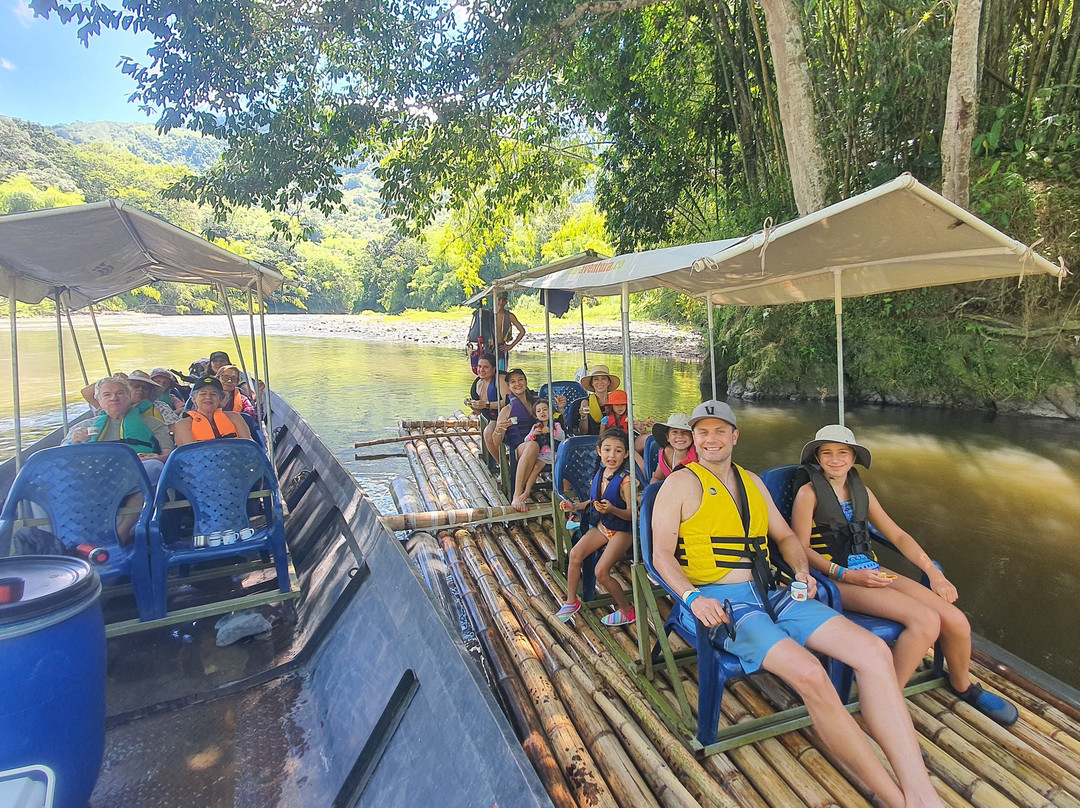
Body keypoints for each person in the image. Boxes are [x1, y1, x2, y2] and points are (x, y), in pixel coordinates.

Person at [652, 401, 944, 808]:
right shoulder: (679, 485)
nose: (710, 439)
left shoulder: (751, 481)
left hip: (773, 591)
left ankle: (923, 793)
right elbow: (661, 555)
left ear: (735, 436)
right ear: (694, 439)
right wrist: (692, 598)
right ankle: (899, 800)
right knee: (810, 674)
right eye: (703, 432)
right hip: (723, 603)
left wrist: (803, 570)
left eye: (720, 431)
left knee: (875, 652)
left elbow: (788, 538)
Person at [790, 424, 1018, 725]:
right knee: (925, 621)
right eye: (827, 453)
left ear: (854, 457)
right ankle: (884, 704)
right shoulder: (809, 494)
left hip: (869, 569)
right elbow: (799, 548)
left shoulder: (862, 492)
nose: (835, 459)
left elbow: (897, 536)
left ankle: (962, 685)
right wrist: (843, 574)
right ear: (817, 458)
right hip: (835, 578)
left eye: (842, 452)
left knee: (957, 621)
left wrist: (932, 572)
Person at [556, 428, 637, 626]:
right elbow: (592, 502)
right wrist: (574, 506)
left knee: (601, 572)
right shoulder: (600, 474)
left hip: (622, 529)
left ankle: (627, 611)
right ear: (599, 451)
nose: (612, 455)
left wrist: (612, 510)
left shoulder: (626, 480)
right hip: (604, 525)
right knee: (575, 554)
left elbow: (632, 514)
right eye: (607, 450)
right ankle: (571, 601)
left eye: (618, 451)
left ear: (626, 454)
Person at [66, 376, 174, 487]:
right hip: (97, 474)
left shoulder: (154, 424)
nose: (114, 398)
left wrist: (159, 458)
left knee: (154, 466)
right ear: (99, 400)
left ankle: (136, 503)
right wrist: (73, 442)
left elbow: (168, 454)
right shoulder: (82, 427)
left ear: (129, 397)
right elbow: (61, 460)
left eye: (120, 393)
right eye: (107, 395)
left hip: (139, 471)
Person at [489, 368, 544, 513]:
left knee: (534, 445)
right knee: (532, 445)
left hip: (543, 444)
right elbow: (496, 442)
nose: (517, 384)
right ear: (508, 387)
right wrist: (499, 428)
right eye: (513, 382)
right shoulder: (507, 410)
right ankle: (517, 494)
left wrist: (561, 408)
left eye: (520, 380)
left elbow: (554, 419)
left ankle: (520, 494)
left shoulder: (537, 404)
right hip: (520, 446)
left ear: (526, 382)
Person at [174, 376, 252, 445]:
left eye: (213, 394)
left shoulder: (235, 418)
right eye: (203, 394)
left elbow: (249, 446)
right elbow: (189, 455)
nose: (208, 397)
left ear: (221, 398)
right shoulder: (183, 425)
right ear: (194, 399)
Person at [650, 413, 697, 483]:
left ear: (692, 436)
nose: (680, 436)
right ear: (667, 437)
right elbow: (657, 477)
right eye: (674, 432)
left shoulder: (698, 456)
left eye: (685, 432)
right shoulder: (667, 453)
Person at [469, 353, 508, 431]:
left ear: (494, 369)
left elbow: (508, 402)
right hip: (489, 418)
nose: (481, 370)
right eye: (479, 366)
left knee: (488, 432)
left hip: (504, 417)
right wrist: (473, 405)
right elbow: (480, 410)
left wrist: (486, 405)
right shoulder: (479, 385)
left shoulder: (500, 379)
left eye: (486, 367)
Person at [578, 365, 620, 435]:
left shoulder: (615, 401)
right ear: (592, 383)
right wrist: (584, 417)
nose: (600, 382)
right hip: (591, 439)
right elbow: (583, 432)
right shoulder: (586, 403)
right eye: (596, 379)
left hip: (612, 438)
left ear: (608, 382)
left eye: (603, 379)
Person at [525, 399, 565, 465]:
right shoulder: (535, 427)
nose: (542, 412)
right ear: (535, 416)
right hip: (540, 454)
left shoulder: (556, 424)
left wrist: (552, 432)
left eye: (545, 409)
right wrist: (533, 434)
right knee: (535, 466)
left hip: (553, 453)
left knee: (538, 465)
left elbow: (562, 437)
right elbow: (526, 440)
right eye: (538, 411)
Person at [494, 291, 526, 371]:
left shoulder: (509, 316)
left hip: (501, 348)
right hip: (488, 348)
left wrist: (511, 346)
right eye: (499, 299)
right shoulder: (488, 314)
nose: (501, 302)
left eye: (503, 300)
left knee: (502, 375)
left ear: (506, 302)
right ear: (495, 300)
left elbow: (522, 331)